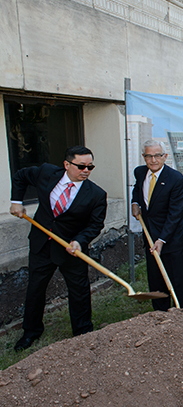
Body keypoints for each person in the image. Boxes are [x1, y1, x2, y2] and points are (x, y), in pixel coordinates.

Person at [10, 146, 107, 351]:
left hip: (71, 249)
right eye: (81, 166)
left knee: (79, 292)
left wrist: (80, 241)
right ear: (67, 164)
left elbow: (95, 224)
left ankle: (82, 333)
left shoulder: (96, 194)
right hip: (41, 244)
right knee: (35, 289)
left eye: (90, 166)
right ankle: (31, 332)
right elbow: (20, 176)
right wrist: (16, 202)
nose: (86, 171)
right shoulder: (46, 173)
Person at [131, 139, 183, 311]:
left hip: (171, 238)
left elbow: (175, 214)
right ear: (144, 157)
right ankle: (160, 314)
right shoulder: (140, 172)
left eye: (157, 155)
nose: (153, 160)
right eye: (149, 156)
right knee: (155, 278)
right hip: (150, 234)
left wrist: (162, 239)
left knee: (177, 278)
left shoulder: (175, 179)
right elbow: (137, 190)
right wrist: (135, 202)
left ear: (165, 156)